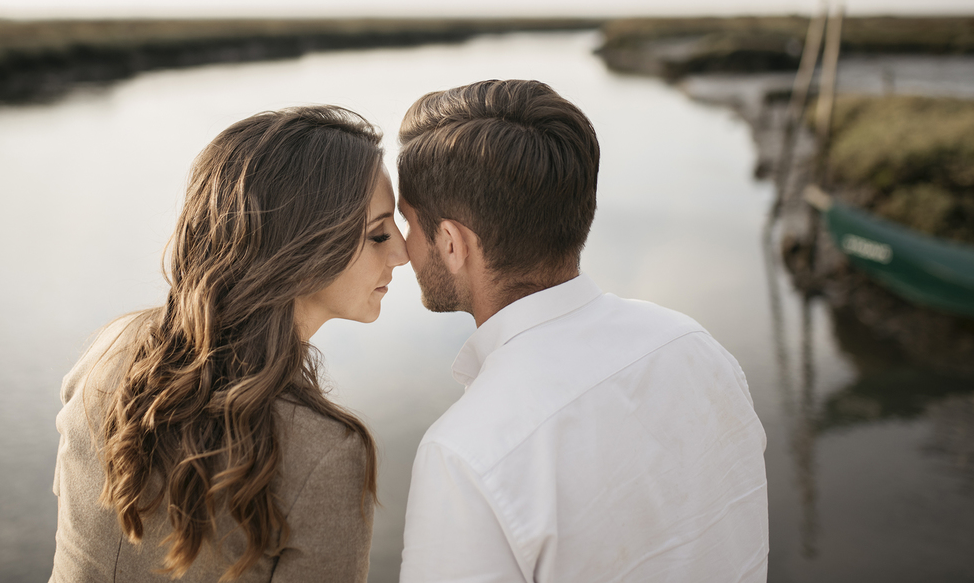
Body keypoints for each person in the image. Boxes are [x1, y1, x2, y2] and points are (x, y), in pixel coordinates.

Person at [396, 80, 769, 583]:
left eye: (408, 225)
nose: (400, 249)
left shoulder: (466, 453)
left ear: (451, 243)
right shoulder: (695, 346)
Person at [49, 105, 407, 583]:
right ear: (300, 248)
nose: (402, 253)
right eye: (379, 234)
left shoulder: (110, 348)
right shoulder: (328, 453)